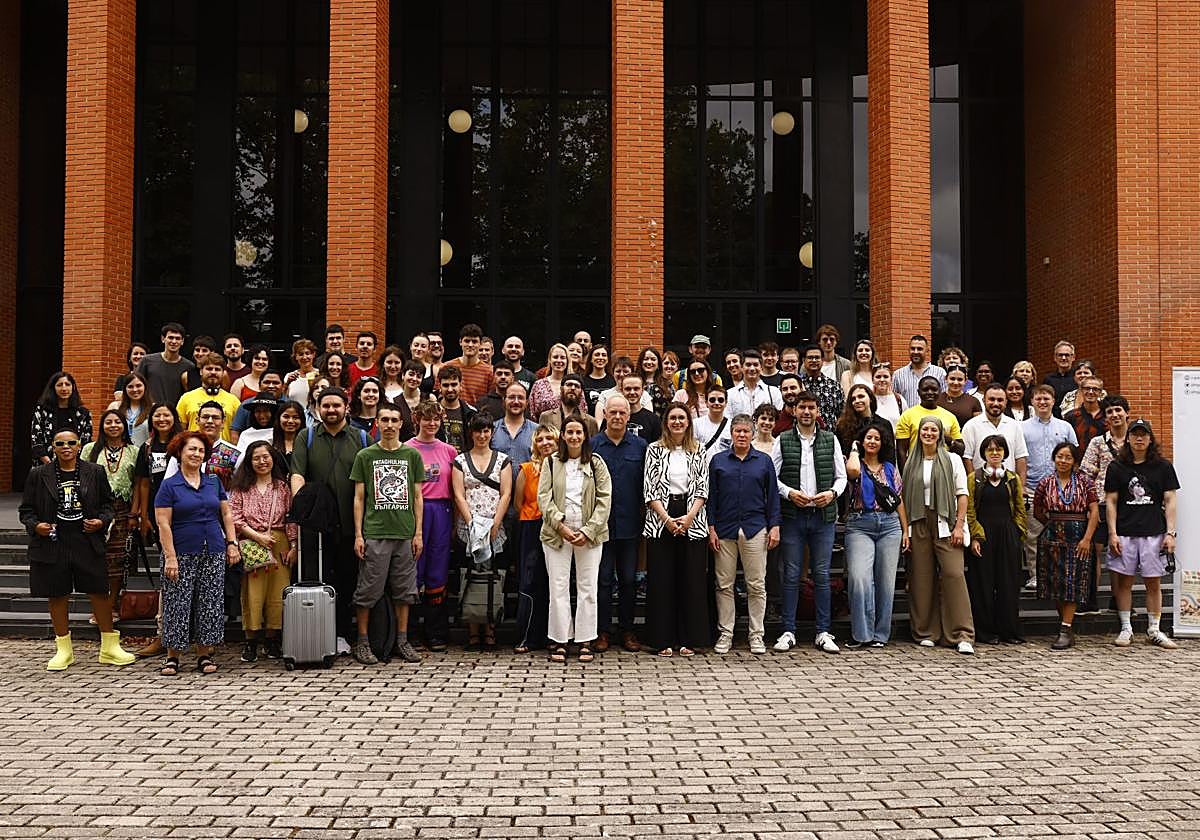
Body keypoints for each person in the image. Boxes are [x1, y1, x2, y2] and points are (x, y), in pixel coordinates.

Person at [19, 427, 137, 671]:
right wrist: (36, 526)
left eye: (71, 443)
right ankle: (63, 649)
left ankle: (109, 646)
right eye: (60, 444)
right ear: (53, 447)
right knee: (57, 593)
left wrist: (101, 522)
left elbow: (107, 506)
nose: (66, 448)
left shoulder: (95, 471)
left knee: (99, 592)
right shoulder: (38, 474)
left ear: (79, 445)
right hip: (53, 542)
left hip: (86, 540)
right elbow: (26, 510)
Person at [289, 386, 373, 645]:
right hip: (317, 525)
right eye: (325, 406)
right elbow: (297, 474)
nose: (331, 410)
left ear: (346, 407)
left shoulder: (361, 438)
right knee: (319, 578)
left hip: (352, 523)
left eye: (336, 405)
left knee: (349, 580)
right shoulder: (307, 436)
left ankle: (345, 634)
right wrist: (302, 509)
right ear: (317, 408)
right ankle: (318, 636)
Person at [155, 431, 241, 676]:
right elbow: (163, 523)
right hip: (180, 551)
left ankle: (204, 654)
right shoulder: (169, 485)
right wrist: (170, 557)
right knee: (177, 603)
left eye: (201, 450)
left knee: (210, 602)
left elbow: (226, 513)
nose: (196, 454)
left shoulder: (213, 482)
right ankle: (173, 657)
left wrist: (232, 542)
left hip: (213, 549)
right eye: (192, 449)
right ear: (180, 452)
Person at [348, 403, 425, 665]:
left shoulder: (411, 455)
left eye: (394, 420)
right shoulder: (365, 455)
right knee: (368, 591)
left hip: (404, 533)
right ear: (377, 423)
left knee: (405, 591)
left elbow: (417, 496)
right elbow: (359, 498)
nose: (389, 425)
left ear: (401, 423)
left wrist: (418, 533)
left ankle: (402, 640)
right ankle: (363, 642)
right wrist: (359, 535)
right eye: (385, 420)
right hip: (375, 533)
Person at [771, 392, 847, 654]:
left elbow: (841, 477)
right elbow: (772, 476)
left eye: (811, 407)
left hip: (822, 516)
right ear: (794, 411)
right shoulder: (782, 439)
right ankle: (788, 630)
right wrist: (789, 493)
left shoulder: (830, 439)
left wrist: (833, 494)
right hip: (793, 515)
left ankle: (823, 632)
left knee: (822, 574)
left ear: (818, 411)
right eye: (802, 407)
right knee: (791, 574)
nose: (806, 412)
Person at [539, 416, 612, 663]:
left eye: (578, 432)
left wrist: (589, 530)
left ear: (585, 436)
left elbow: (605, 499)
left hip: (589, 535)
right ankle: (560, 640)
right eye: (569, 432)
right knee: (557, 587)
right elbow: (543, 497)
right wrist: (560, 526)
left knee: (587, 587)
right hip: (557, 533)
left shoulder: (596, 463)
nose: (574, 437)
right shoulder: (551, 462)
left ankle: (585, 640)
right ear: (562, 435)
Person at [708, 414, 781, 655]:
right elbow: (712, 497)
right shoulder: (718, 461)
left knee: (756, 584)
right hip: (724, 529)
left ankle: (756, 634)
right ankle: (726, 633)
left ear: (753, 434)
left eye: (746, 431)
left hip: (755, 528)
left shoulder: (764, 461)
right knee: (724, 584)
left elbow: (772, 497)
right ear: (731, 434)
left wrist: (774, 526)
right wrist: (711, 527)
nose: (741, 435)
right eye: (737, 431)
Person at [901, 416, 974, 654]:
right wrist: (906, 530)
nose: (929, 433)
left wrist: (959, 526)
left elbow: (962, 494)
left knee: (954, 574)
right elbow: (903, 496)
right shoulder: (911, 461)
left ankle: (961, 633)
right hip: (919, 520)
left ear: (940, 434)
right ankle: (926, 631)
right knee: (921, 577)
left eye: (934, 430)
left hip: (946, 520)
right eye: (925, 429)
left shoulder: (952, 459)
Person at [642, 404, 711, 657]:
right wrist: (667, 520)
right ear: (666, 423)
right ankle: (662, 639)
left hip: (693, 517)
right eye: (673, 418)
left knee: (691, 581)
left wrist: (689, 517)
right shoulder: (654, 449)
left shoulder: (699, 449)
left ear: (688, 422)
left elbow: (703, 487)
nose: (677, 422)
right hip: (661, 517)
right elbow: (649, 488)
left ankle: (688, 639)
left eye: (682, 418)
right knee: (662, 581)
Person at [1104, 418, 1179, 649]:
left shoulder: (1163, 466)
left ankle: (1154, 629)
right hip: (1125, 532)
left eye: (1143, 434)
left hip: (1153, 532)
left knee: (1153, 582)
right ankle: (1126, 628)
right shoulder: (1116, 467)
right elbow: (1111, 501)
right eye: (1135, 434)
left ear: (1150, 438)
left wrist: (1171, 533)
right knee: (1124, 582)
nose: (1139, 438)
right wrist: (1112, 533)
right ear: (1128, 438)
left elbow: (1170, 499)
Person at [229, 441, 297, 663]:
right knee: (252, 593)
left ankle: (272, 638)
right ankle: (251, 640)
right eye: (256, 458)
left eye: (265, 457)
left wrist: (294, 546)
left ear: (273, 459)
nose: (262, 462)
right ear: (249, 461)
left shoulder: (282, 487)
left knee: (278, 592)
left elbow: (290, 517)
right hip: (251, 543)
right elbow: (235, 517)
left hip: (279, 543)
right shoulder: (241, 487)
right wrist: (257, 537)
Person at [591, 395, 648, 652]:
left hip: (630, 524)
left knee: (628, 580)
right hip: (600, 526)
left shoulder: (641, 447)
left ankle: (627, 630)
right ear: (604, 414)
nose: (616, 417)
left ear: (628, 416)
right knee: (602, 580)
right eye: (612, 412)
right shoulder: (593, 445)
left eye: (621, 413)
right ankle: (602, 630)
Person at [844, 422, 908, 647]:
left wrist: (905, 530)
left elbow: (898, 500)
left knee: (886, 582)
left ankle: (880, 635)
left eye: (877, 438)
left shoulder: (890, 468)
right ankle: (862, 634)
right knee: (859, 578)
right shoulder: (854, 463)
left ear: (883, 443)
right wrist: (854, 448)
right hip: (860, 524)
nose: (872, 441)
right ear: (862, 441)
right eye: (868, 438)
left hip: (889, 525)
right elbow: (852, 472)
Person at [452, 414, 512, 650]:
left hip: (495, 527)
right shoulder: (460, 460)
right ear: (471, 433)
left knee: (493, 576)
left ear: (491, 433)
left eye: (486, 431)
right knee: (469, 575)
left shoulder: (502, 460)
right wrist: (471, 524)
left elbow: (506, 493)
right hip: (468, 527)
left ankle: (490, 627)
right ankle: (472, 629)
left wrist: (495, 523)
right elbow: (459, 494)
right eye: (478, 431)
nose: (482, 435)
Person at [1033, 441, 1099, 651]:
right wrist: (1052, 525)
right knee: (1056, 583)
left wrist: (1087, 539)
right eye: (1060, 456)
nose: (1063, 461)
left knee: (1072, 582)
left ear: (1074, 461)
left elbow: (1094, 512)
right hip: (1052, 537)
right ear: (1054, 458)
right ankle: (1066, 626)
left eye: (1068, 457)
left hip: (1078, 537)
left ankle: (1064, 629)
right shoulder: (1045, 483)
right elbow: (1037, 510)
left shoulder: (1085, 482)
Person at [405, 400, 458, 650]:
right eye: (427, 418)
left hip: (441, 511)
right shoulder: (406, 449)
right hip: (414, 511)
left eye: (436, 419)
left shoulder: (449, 451)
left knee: (438, 569)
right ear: (417, 420)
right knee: (413, 568)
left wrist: (456, 521)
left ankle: (436, 631)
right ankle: (411, 630)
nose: (432, 423)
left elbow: (456, 490)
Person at [965, 435, 1027, 645]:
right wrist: (975, 536)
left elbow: (1020, 509)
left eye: (998, 449)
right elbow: (970, 510)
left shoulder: (1012, 478)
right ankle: (985, 631)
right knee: (983, 584)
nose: (994, 453)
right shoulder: (974, 478)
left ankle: (1008, 630)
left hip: (1007, 535)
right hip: (983, 536)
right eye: (990, 450)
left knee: (1008, 583)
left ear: (1004, 453)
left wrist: (1017, 532)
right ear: (983, 453)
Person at [81, 409, 139, 618]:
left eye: (117, 422)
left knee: (117, 561)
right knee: (94, 560)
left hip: (122, 511)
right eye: (108, 422)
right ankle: (97, 608)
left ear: (124, 426)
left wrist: (134, 514)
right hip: (93, 510)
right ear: (102, 426)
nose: (113, 426)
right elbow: (79, 478)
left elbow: (138, 484)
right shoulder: (90, 449)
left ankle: (111, 606)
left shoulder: (134, 451)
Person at [1022, 385, 1079, 590]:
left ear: (1054, 401)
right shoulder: (1022, 428)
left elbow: (1075, 456)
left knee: (1061, 533)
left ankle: (1059, 574)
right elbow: (1019, 458)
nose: (1042, 402)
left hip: (1061, 488)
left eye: (1046, 398)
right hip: (1032, 487)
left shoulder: (1065, 427)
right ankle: (1036, 575)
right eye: (1038, 399)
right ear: (1032, 402)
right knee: (1033, 535)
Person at [512, 425, 558, 654]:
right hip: (531, 526)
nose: (545, 443)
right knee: (530, 581)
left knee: (554, 582)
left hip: (557, 527)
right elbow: (517, 503)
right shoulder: (527, 469)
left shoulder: (564, 467)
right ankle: (527, 637)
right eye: (540, 439)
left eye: (550, 438)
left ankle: (554, 637)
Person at [962, 383, 1029, 485]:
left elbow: (1020, 457)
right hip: (981, 486)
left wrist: (1021, 486)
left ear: (1006, 402)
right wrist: (974, 484)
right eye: (991, 399)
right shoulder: (971, 426)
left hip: (1009, 486)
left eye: (1000, 400)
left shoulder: (1015, 426)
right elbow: (967, 458)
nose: (996, 403)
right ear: (983, 401)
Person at [895, 376, 964, 464]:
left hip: (943, 466)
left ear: (940, 391)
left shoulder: (950, 417)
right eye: (925, 389)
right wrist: (906, 472)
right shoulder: (907, 416)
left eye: (934, 389)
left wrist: (946, 439)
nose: (930, 392)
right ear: (918, 392)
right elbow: (901, 451)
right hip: (916, 466)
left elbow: (961, 449)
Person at [31, 372, 93, 466]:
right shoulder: (42, 411)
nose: (64, 388)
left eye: (67, 384)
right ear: (53, 388)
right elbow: (36, 439)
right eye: (59, 385)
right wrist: (48, 463)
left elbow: (86, 441)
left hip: (76, 466)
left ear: (73, 387)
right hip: (46, 465)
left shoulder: (83, 413)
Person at [177, 358, 242, 442]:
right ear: (201, 371)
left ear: (223, 373)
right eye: (209, 369)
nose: (213, 372)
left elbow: (238, 432)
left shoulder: (233, 401)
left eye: (217, 369)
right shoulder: (186, 398)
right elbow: (179, 431)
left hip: (223, 449)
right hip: (196, 448)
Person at [135, 323, 196, 409]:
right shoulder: (147, 361)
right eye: (170, 337)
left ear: (182, 341)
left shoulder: (189, 366)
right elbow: (136, 385)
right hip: (149, 411)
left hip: (175, 413)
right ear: (163, 339)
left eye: (177, 338)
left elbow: (191, 395)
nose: (174, 341)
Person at [797, 343, 844, 431]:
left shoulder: (834, 386)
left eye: (817, 357)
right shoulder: (798, 385)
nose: (814, 360)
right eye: (810, 358)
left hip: (829, 435)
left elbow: (841, 414)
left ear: (822, 360)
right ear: (803, 360)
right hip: (802, 435)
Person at [491, 382, 537, 471]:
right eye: (511, 397)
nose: (516, 401)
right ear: (504, 400)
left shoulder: (537, 430)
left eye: (520, 398)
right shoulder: (492, 429)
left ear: (527, 402)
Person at [444, 324, 494, 406]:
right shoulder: (447, 367)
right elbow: (439, 396)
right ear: (460, 342)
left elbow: (491, 401)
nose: (470, 345)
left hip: (478, 413)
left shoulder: (489, 372)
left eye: (474, 341)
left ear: (480, 343)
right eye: (467, 341)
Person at [725, 349, 783, 419]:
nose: (752, 368)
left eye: (755, 365)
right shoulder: (730, 394)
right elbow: (727, 421)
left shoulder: (774, 392)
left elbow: (778, 420)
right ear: (742, 367)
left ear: (761, 367)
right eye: (748, 365)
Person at [892, 334, 946, 408]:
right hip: (908, 415)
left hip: (933, 415)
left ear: (927, 350)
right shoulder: (898, 375)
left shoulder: (940, 373)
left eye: (919, 349)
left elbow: (945, 399)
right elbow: (893, 401)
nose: (915, 352)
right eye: (913, 348)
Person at [433, 365, 477, 453]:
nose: (450, 389)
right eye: (445, 385)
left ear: (460, 385)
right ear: (439, 387)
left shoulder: (472, 413)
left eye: (454, 384)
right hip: (437, 458)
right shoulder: (431, 412)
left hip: (463, 459)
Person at [108, 372, 152, 448]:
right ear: (125, 389)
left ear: (145, 387)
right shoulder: (115, 407)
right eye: (130, 386)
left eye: (138, 386)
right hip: (120, 452)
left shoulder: (153, 408)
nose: (135, 389)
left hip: (143, 453)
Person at [529, 343, 571, 419]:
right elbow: (532, 412)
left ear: (567, 361)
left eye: (562, 357)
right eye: (555, 357)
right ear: (550, 360)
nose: (559, 360)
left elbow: (582, 411)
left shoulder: (574, 385)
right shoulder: (538, 385)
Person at [1064, 376, 1107, 450]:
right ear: (1081, 390)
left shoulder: (1108, 415)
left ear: (1100, 392)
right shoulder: (1071, 416)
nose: (1091, 392)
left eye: (1095, 389)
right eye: (1087, 388)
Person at [615, 376, 661, 443]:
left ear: (642, 390)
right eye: (628, 389)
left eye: (636, 389)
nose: (632, 392)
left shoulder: (654, 420)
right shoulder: (612, 417)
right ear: (621, 390)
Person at [834, 383, 877, 455]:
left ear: (871, 399)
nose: (857, 401)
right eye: (853, 399)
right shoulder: (843, 426)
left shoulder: (883, 424)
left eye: (861, 396)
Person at [693, 385, 732, 459]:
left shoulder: (732, 425)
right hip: (703, 465)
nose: (716, 403)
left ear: (726, 403)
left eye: (720, 400)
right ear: (706, 403)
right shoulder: (696, 424)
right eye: (712, 400)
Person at [639, 347, 675, 417]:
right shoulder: (634, 382)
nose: (649, 362)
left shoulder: (667, 384)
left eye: (653, 359)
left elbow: (672, 408)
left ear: (658, 363)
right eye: (646, 359)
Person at [284, 338, 319, 408]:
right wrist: (287, 384)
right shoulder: (289, 376)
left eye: (307, 353)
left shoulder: (320, 375)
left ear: (313, 354)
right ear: (296, 357)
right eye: (301, 354)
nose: (304, 357)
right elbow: (284, 398)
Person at [815, 324, 852, 390]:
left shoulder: (846, 364)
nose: (828, 342)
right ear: (819, 342)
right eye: (825, 339)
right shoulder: (810, 364)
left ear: (836, 342)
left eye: (831, 339)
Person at [871, 363, 906, 429]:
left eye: (885, 377)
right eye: (878, 377)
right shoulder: (868, 400)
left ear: (891, 379)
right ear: (872, 380)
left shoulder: (899, 400)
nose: (882, 380)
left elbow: (906, 424)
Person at [1044, 341, 1077, 409]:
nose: (1063, 358)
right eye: (1060, 355)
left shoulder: (1078, 377)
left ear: (1073, 357)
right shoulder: (1048, 379)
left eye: (1067, 355)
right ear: (1055, 358)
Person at [271, 400, 305, 468]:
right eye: (286, 417)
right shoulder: (270, 443)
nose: (290, 421)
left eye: (295, 417)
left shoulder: (309, 443)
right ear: (279, 418)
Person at [348, 376, 383, 440]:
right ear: (359, 395)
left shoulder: (385, 420)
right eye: (366, 391)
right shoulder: (350, 422)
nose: (371, 394)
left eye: (375, 391)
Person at [582, 344, 614, 409]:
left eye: (604, 355)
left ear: (607, 359)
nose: (600, 358)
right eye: (597, 355)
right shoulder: (582, 381)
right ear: (591, 359)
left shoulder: (613, 381)